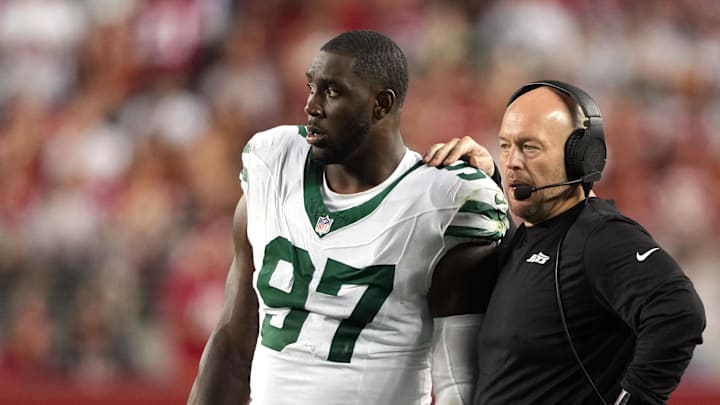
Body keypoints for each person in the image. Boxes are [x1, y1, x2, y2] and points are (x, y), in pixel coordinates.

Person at [186, 30, 510, 405]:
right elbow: (232, 341)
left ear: (381, 105)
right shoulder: (273, 163)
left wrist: (495, 185)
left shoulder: (444, 199)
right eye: (311, 87)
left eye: (333, 92)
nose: (311, 106)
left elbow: (459, 380)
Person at [424, 80, 706, 404]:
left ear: (581, 158)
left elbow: (679, 312)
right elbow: (530, 270)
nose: (512, 160)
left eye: (529, 147)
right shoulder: (534, 238)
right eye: (505, 146)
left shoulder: (601, 236)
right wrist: (488, 183)